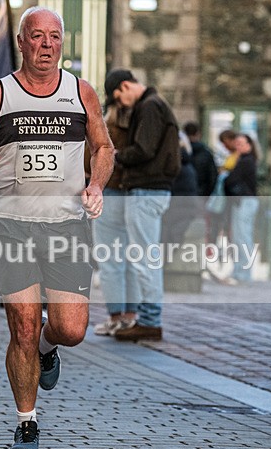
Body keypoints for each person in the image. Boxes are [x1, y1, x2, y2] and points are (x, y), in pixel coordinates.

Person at [0, 7, 114, 449]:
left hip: (67, 225)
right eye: (37, 36)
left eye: (55, 37)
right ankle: (27, 422)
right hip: (9, 224)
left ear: (63, 43)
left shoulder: (81, 92)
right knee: (22, 325)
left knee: (71, 328)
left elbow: (102, 146)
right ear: (21, 42)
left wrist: (96, 182)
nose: (46, 45)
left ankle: (49, 347)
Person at [103, 68, 180, 341]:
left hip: (146, 188)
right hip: (152, 189)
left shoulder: (148, 107)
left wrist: (117, 155)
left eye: (118, 97)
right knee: (144, 256)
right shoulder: (155, 104)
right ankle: (148, 318)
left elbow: (144, 149)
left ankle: (149, 320)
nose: (121, 104)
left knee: (145, 257)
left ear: (125, 86)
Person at [91, 103, 139, 336]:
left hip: (110, 192)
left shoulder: (104, 126)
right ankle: (130, 316)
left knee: (110, 260)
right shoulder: (138, 126)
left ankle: (115, 316)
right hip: (131, 194)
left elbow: (88, 158)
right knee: (130, 259)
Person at [222, 134, 259, 284]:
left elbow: (230, 179)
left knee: (243, 238)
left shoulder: (246, 161)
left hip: (245, 201)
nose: (238, 146)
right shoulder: (243, 160)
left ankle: (243, 274)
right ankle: (239, 272)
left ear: (249, 145)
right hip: (242, 202)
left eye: (241, 143)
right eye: (236, 143)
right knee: (239, 237)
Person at [183, 122, 218, 199]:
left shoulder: (179, 153)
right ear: (198, 134)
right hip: (201, 194)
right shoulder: (206, 153)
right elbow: (212, 177)